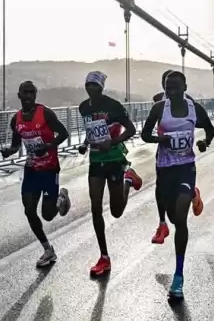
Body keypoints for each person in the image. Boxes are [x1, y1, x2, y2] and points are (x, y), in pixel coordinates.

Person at [141, 71, 214, 301]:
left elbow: (210, 129)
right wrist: (159, 139)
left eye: (175, 87)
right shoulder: (158, 109)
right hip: (165, 170)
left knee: (181, 219)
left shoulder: (195, 109)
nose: (171, 92)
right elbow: (144, 135)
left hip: (186, 167)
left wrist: (205, 142)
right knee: (173, 217)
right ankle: (192, 194)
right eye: (167, 88)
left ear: (184, 86)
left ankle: (179, 276)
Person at [77, 71, 143, 277]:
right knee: (95, 207)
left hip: (114, 159)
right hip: (96, 161)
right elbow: (92, 130)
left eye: (95, 86)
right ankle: (104, 256)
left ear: (101, 87)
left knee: (116, 212)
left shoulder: (113, 106)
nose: (91, 89)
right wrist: (85, 144)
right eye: (88, 85)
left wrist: (112, 142)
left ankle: (128, 181)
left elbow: (131, 129)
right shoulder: (83, 107)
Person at [0, 81, 72, 267]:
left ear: (35, 95)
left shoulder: (45, 113)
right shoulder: (16, 119)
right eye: (25, 92)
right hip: (31, 169)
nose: (29, 96)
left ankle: (61, 198)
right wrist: (9, 150)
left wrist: (48, 146)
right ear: (19, 95)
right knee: (29, 211)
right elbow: (17, 144)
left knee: (47, 215)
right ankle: (48, 250)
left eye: (32, 93)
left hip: (49, 169)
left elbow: (64, 133)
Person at [151, 69, 195, 245]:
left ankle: (191, 192)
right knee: (160, 188)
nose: (168, 88)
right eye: (165, 83)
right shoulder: (157, 101)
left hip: (184, 159)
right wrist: (159, 138)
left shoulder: (188, 101)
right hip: (164, 153)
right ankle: (162, 222)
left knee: (179, 219)